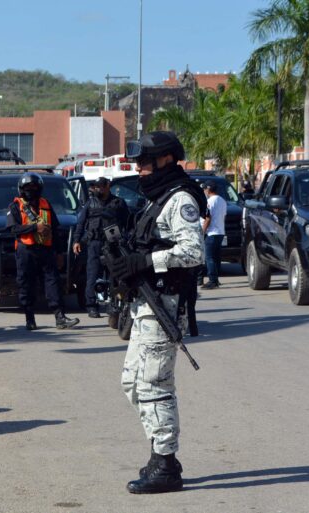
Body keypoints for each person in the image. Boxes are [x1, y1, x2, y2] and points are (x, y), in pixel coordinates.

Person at [105, 131, 205, 494]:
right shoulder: (156, 198)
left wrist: (145, 261)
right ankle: (161, 453)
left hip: (165, 304)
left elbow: (194, 252)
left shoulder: (179, 199)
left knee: (154, 384)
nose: (140, 168)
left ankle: (165, 464)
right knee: (133, 383)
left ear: (166, 159)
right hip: (144, 304)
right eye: (138, 163)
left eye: (146, 162)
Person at [7, 173, 79, 331]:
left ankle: (60, 317)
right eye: (27, 188)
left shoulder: (46, 204)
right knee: (27, 284)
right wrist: (34, 227)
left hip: (46, 250)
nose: (31, 190)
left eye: (34, 187)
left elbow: (56, 229)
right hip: (26, 251)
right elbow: (13, 229)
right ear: (21, 189)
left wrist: (59, 253)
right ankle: (29, 318)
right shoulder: (15, 206)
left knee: (53, 282)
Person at [72, 177, 129, 318]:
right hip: (94, 243)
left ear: (107, 186)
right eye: (96, 187)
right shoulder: (90, 203)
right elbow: (80, 223)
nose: (98, 189)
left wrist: (127, 239)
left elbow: (128, 222)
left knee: (114, 275)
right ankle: (91, 306)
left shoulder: (118, 202)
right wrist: (76, 241)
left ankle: (113, 304)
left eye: (101, 186)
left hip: (113, 243)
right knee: (92, 274)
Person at [201, 181, 227, 290]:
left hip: (211, 232)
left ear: (208, 189)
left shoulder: (210, 201)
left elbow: (208, 218)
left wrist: (202, 231)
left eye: (204, 189)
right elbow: (224, 216)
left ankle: (212, 280)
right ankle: (216, 279)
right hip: (220, 232)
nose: (204, 191)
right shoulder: (222, 201)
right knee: (216, 257)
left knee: (209, 257)